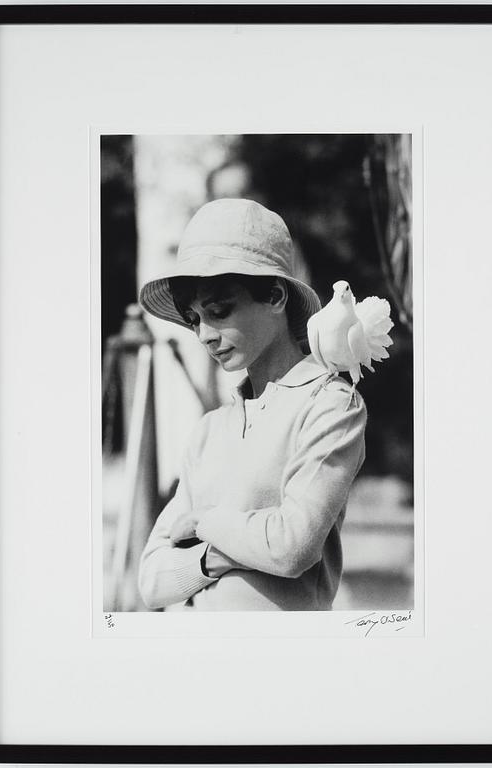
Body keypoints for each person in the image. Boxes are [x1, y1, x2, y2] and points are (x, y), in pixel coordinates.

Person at [138, 198, 366, 611]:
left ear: (275, 296)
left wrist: (202, 522)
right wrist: (217, 556)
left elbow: (292, 547)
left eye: (219, 311)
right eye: (194, 319)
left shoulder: (330, 404)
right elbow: (152, 580)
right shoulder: (210, 429)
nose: (205, 335)